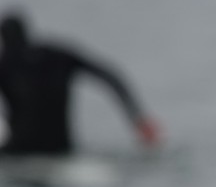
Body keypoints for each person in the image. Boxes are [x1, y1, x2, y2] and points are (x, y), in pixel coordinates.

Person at [0, 11, 160, 155]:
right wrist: (138, 118)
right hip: (62, 148)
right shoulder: (59, 56)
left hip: (20, 151)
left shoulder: (5, 66)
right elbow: (110, 76)